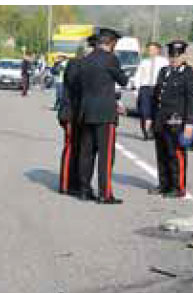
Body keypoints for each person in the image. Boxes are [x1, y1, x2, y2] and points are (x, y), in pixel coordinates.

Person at [76, 28, 129, 204]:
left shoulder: (86, 60)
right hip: (105, 113)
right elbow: (123, 81)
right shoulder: (111, 59)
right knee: (105, 155)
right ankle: (104, 194)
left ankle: (84, 190)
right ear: (111, 43)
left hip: (86, 111)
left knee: (86, 153)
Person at [151, 40, 193, 199]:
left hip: (178, 121)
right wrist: (152, 118)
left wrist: (190, 124)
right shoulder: (163, 71)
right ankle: (164, 184)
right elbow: (157, 95)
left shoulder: (190, 74)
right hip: (161, 119)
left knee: (176, 154)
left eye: (177, 56)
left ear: (183, 56)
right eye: (172, 56)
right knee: (162, 153)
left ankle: (178, 187)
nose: (174, 59)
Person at [58, 35, 98, 196]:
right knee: (71, 147)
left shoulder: (85, 65)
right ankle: (66, 184)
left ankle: (78, 183)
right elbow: (75, 86)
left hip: (82, 113)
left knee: (82, 150)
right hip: (71, 112)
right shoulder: (75, 63)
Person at [136, 42, 168, 140]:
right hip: (145, 88)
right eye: (149, 49)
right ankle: (146, 132)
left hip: (157, 88)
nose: (151, 51)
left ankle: (153, 131)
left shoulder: (164, 62)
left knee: (155, 111)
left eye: (153, 49)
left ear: (158, 50)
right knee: (145, 111)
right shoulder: (144, 62)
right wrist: (137, 89)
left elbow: (167, 76)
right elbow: (138, 76)